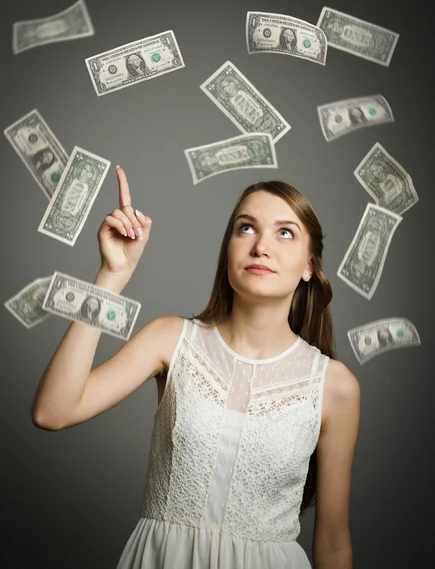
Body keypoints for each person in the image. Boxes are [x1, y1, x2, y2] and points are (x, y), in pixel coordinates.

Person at [31, 165, 360, 569]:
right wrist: (112, 276)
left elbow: (333, 543)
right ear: (228, 251)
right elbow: (53, 411)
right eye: (246, 228)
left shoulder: (334, 386)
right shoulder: (170, 339)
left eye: (285, 232)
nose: (261, 247)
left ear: (310, 265)